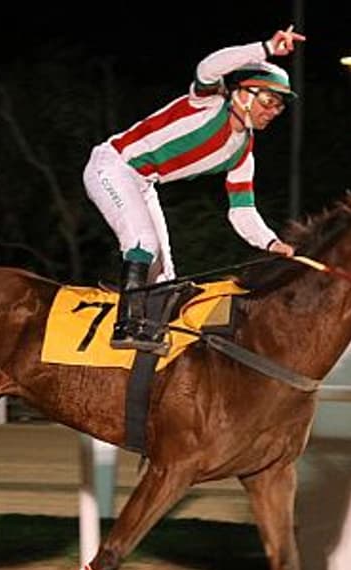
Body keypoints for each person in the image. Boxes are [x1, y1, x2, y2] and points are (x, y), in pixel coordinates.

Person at [83, 25, 306, 353]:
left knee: (165, 277)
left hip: (143, 183)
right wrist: (266, 48)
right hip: (112, 166)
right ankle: (126, 326)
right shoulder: (210, 103)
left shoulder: (243, 151)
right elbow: (208, 67)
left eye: (279, 107)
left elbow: (242, 211)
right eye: (269, 101)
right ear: (242, 93)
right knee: (143, 242)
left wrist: (272, 242)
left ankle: (147, 350)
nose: (273, 112)